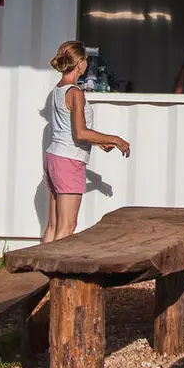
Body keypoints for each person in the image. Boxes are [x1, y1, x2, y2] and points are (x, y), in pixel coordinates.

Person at [43, 40, 130, 242]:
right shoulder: (75, 93)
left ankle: (41, 272)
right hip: (69, 161)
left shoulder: (57, 90)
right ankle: (56, 273)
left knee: (53, 225)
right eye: (86, 61)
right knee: (67, 226)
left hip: (54, 157)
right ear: (80, 63)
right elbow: (80, 133)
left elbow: (69, 129)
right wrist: (115, 139)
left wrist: (99, 142)